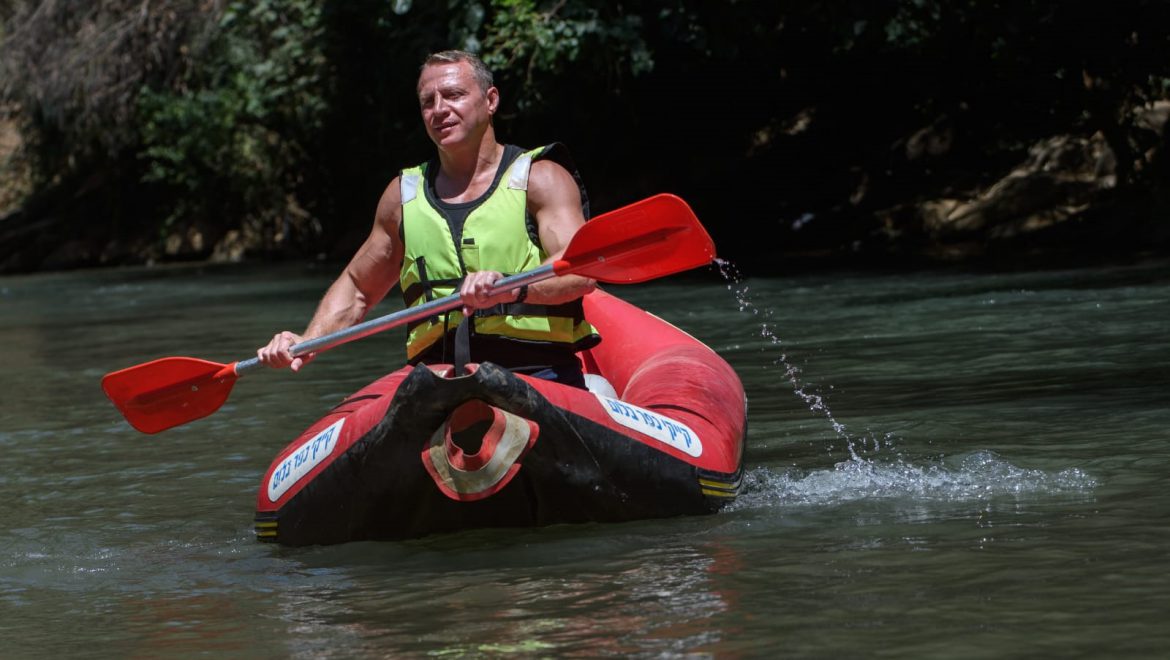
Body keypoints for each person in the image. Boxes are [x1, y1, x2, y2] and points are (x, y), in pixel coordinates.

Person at [257, 50, 600, 387]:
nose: (439, 110)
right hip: (438, 385)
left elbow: (580, 272)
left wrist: (508, 288)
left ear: (490, 100)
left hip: (538, 374)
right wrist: (307, 342)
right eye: (428, 102)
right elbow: (359, 288)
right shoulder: (402, 197)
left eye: (453, 95)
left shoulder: (541, 178)